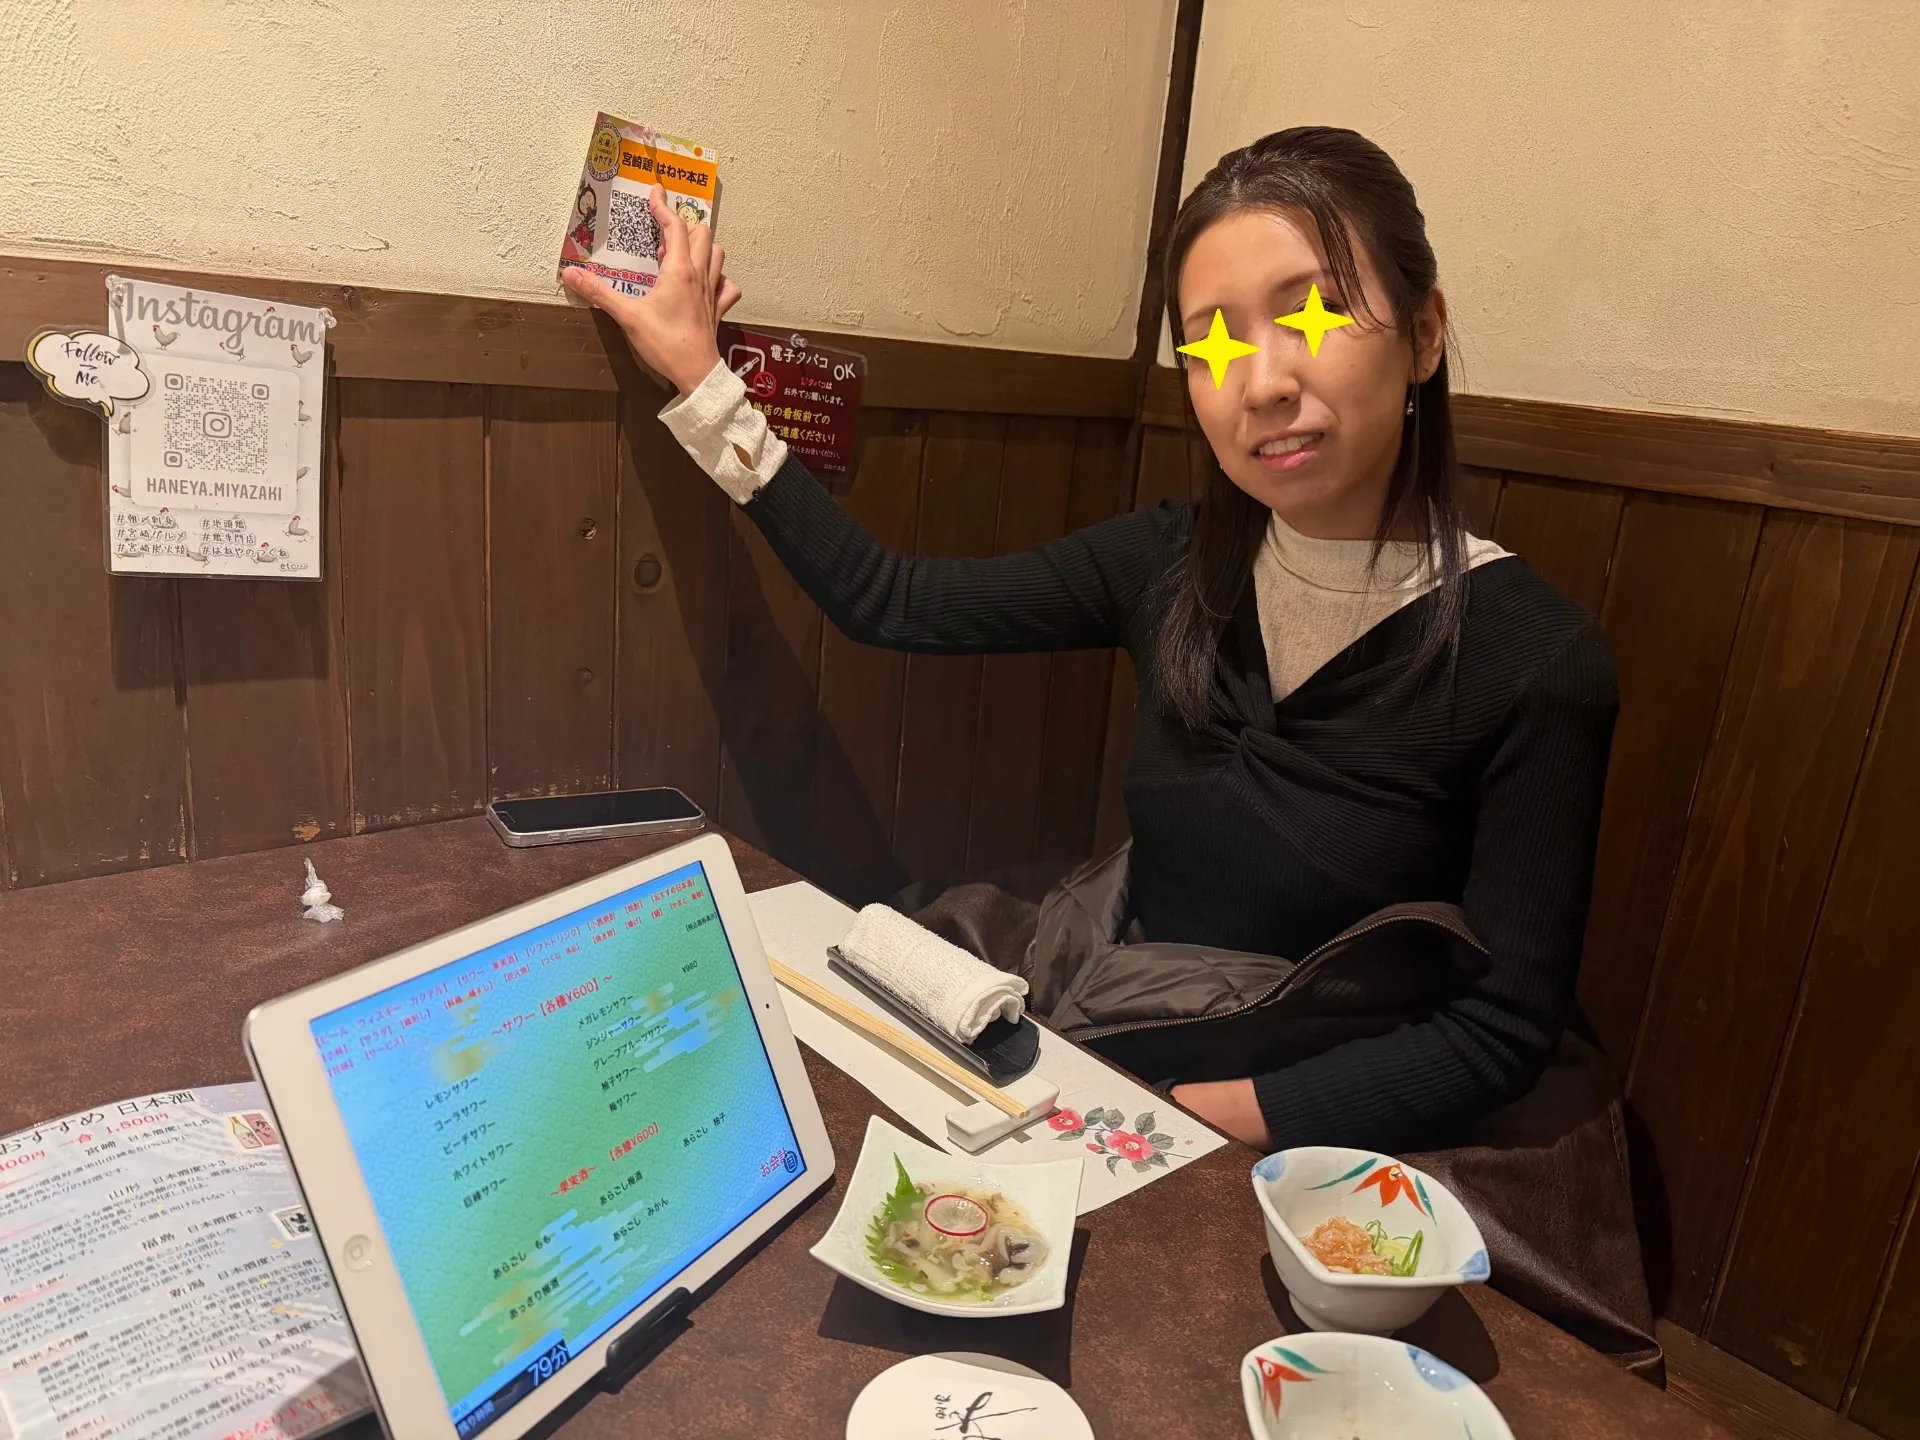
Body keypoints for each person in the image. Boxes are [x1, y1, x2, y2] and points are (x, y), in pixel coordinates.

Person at [562, 128, 1615, 1163]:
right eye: (1212, 342)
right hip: (1135, 1028)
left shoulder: (1536, 659)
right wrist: (704, 381)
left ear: (1424, 334)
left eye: (1314, 312)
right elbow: (892, 601)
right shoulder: (1171, 561)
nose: (1261, 383)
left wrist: (1214, 1119)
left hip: (1329, 1130)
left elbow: (1500, 1031)